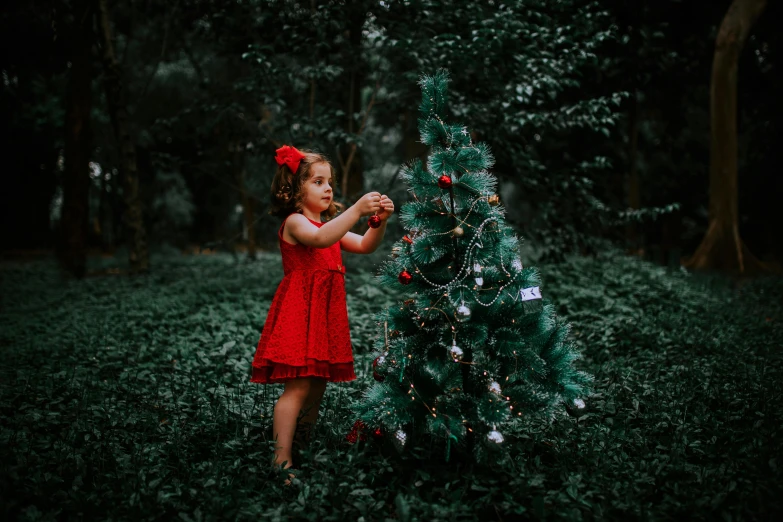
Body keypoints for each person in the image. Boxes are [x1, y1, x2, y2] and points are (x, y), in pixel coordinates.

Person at [250, 145, 394, 485]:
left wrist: (380, 223)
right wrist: (358, 208)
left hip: (324, 315)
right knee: (297, 388)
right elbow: (318, 239)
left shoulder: (331, 224)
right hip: (300, 312)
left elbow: (365, 245)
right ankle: (280, 460)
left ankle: (302, 447)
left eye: (329, 182)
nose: (328, 188)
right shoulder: (297, 222)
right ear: (294, 189)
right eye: (318, 181)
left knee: (317, 387)